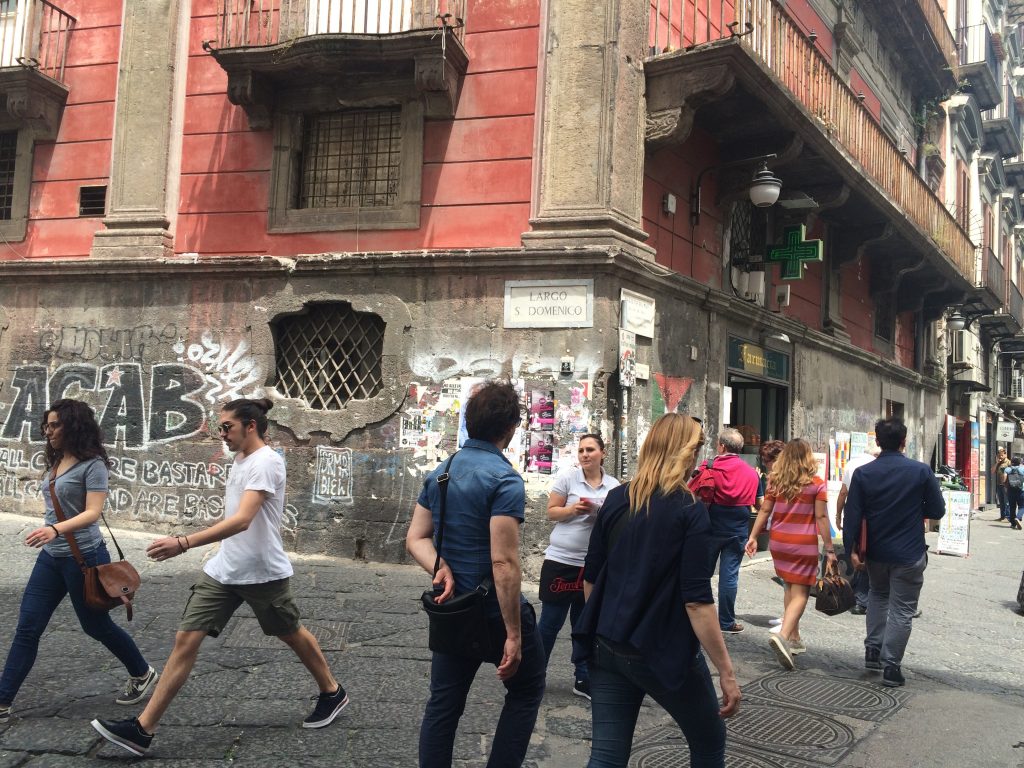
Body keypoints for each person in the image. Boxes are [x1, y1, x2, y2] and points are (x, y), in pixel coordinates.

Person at [92, 398, 348, 755]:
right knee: (186, 639)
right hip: (225, 570)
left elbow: (243, 519)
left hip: (262, 573)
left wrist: (184, 542)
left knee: (289, 632)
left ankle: (332, 691)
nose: (221, 434)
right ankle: (142, 729)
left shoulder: (266, 462)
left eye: (227, 427)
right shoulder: (241, 458)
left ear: (251, 426)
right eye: (220, 427)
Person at [574, 413, 740, 768]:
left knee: (606, 755)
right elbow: (697, 601)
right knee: (709, 741)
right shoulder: (689, 509)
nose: (697, 457)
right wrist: (725, 670)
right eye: (695, 449)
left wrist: (608, 627)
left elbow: (591, 577)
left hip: (606, 645)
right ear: (685, 453)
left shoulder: (618, 498)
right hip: (660, 648)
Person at [406, 381, 545, 768]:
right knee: (527, 689)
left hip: (453, 609)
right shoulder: (505, 479)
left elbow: (415, 538)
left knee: (444, 706)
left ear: (469, 422)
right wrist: (514, 634)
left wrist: (440, 566)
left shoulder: (441, 473)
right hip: (493, 613)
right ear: (511, 428)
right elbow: (503, 564)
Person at [0, 399, 158, 726]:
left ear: (73, 425)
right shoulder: (57, 458)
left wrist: (54, 529)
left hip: (83, 558)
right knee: (28, 627)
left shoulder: (93, 464)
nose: (48, 430)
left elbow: (92, 513)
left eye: (55, 424)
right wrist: (51, 533)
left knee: (95, 625)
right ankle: (3, 700)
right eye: (47, 424)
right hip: (51, 559)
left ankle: (142, 673)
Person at [842, 418, 945, 687]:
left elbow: (852, 515)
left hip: (875, 552)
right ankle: (891, 667)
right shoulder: (921, 472)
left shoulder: (864, 474)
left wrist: (851, 550)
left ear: (877, 442)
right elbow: (937, 511)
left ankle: (873, 650)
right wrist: (913, 510)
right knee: (902, 609)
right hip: (909, 553)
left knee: (877, 596)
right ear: (904, 442)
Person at [539, 434, 619, 701]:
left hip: (593, 564)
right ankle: (534, 673)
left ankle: (583, 676)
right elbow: (551, 512)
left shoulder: (613, 485)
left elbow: (616, 522)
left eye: (590, 450)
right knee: (549, 623)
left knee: (584, 623)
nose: (585, 455)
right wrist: (574, 510)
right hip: (561, 560)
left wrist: (600, 513)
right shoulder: (567, 478)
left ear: (602, 453)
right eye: (581, 450)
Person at [746, 439, 835, 670]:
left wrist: (753, 537)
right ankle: (784, 636)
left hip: (779, 542)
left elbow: (765, 509)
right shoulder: (816, 484)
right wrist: (830, 548)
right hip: (802, 542)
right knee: (803, 591)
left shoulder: (776, 480)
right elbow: (821, 518)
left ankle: (794, 638)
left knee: (789, 586)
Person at [692, 427, 760, 633]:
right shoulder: (751, 473)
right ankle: (726, 622)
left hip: (710, 526)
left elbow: (693, 492)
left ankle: (697, 616)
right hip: (738, 527)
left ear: (721, 446)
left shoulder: (708, 467)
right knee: (729, 576)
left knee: (702, 573)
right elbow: (759, 503)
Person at [835, 443, 882, 613]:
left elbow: (842, 493)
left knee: (855, 551)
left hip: (852, 514)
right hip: (870, 516)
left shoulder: (851, 464)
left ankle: (857, 593)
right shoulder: (876, 466)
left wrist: (838, 515)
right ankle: (862, 598)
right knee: (867, 554)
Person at [1003, 456, 1024, 530]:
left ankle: (1013, 523)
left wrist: (1006, 487)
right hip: (1021, 490)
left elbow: (1004, 479)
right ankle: (1018, 518)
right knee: (1022, 506)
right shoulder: (1023, 469)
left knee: (1012, 507)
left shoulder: (1007, 469)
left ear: (1011, 462)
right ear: (1019, 462)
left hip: (1010, 490)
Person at [992, 446, 1011, 522]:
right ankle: (1002, 516)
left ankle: (1008, 517)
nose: (1000, 456)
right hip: (999, 485)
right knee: (1001, 502)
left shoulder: (1009, 462)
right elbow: (992, 471)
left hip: (1006, 485)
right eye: (999, 455)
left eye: (1002, 455)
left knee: (1007, 502)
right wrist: (997, 463)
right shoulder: (998, 463)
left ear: (1005, 455)